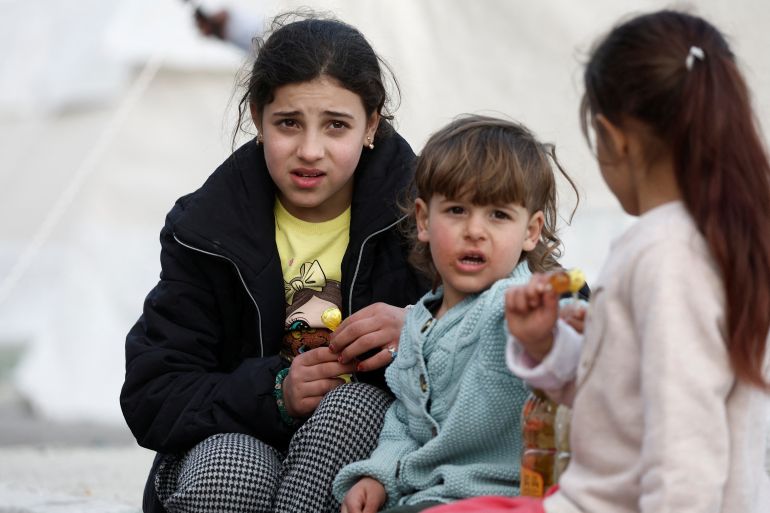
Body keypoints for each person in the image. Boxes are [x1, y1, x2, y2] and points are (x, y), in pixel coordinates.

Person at [424, 9, 770, 513]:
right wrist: (550, 345)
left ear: (613, 139)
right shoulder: (707, 240)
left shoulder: (668, 255)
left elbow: (685, 453)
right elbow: (623, 404)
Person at [120, 13, 429, 513]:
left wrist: (420, 327)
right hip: (233, 441)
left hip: (375, 451)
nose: (310, 150)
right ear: (258, 118)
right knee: (232, 474)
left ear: (372, 124)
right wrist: (276, 392)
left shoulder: (430, 216)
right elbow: (154, 392)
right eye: (289, 123)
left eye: (336, 125)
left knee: (352, 410)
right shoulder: (206, 229)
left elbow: (524, 326)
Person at [332, 114, 581, 513]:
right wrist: (377, 476)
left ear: (531, 231)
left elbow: (580, 359)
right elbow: (406, 421)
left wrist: (544, 339)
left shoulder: (519, 304)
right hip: (424, 497)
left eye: (498, 215)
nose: (475, 230)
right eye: (457, 210)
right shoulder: (418, 321)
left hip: (503, 498)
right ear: (423, 220)